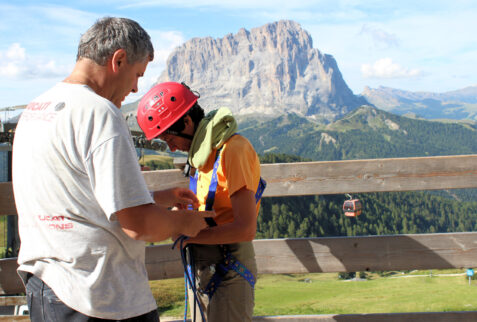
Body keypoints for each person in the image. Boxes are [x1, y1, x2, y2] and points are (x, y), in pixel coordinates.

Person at [12, 17, 213, 321]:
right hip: (98, 296)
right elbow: (138, 224)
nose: (134, 89)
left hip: (48, 287)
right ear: (118, 60)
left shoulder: (37, 108)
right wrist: (186, 223)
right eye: (137, 75)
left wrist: (157, 196)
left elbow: (79, 194)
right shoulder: (100, 112)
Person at [137, 82, 265, 322]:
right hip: (204, 265)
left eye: (169, 137)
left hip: (229, 269)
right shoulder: (202, 154)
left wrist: (187, 235)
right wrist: (183, 214)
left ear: (186, 121)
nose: (170, 146)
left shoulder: (233, 150)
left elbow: (246, 229)